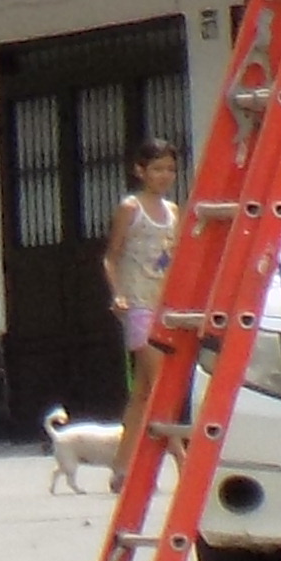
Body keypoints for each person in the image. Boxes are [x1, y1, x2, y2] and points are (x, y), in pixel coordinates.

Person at [102, 140, 182, 425]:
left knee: (143, 392)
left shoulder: (173, 211)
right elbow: (111, 257)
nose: (165, 175)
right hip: (138, 303)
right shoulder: (130, 208)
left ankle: (123, 465)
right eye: (157, 168)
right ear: (140, 170)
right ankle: (181, 456)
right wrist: (117, 295)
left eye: (171, 169)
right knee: (161, 384)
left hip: (165, 303)